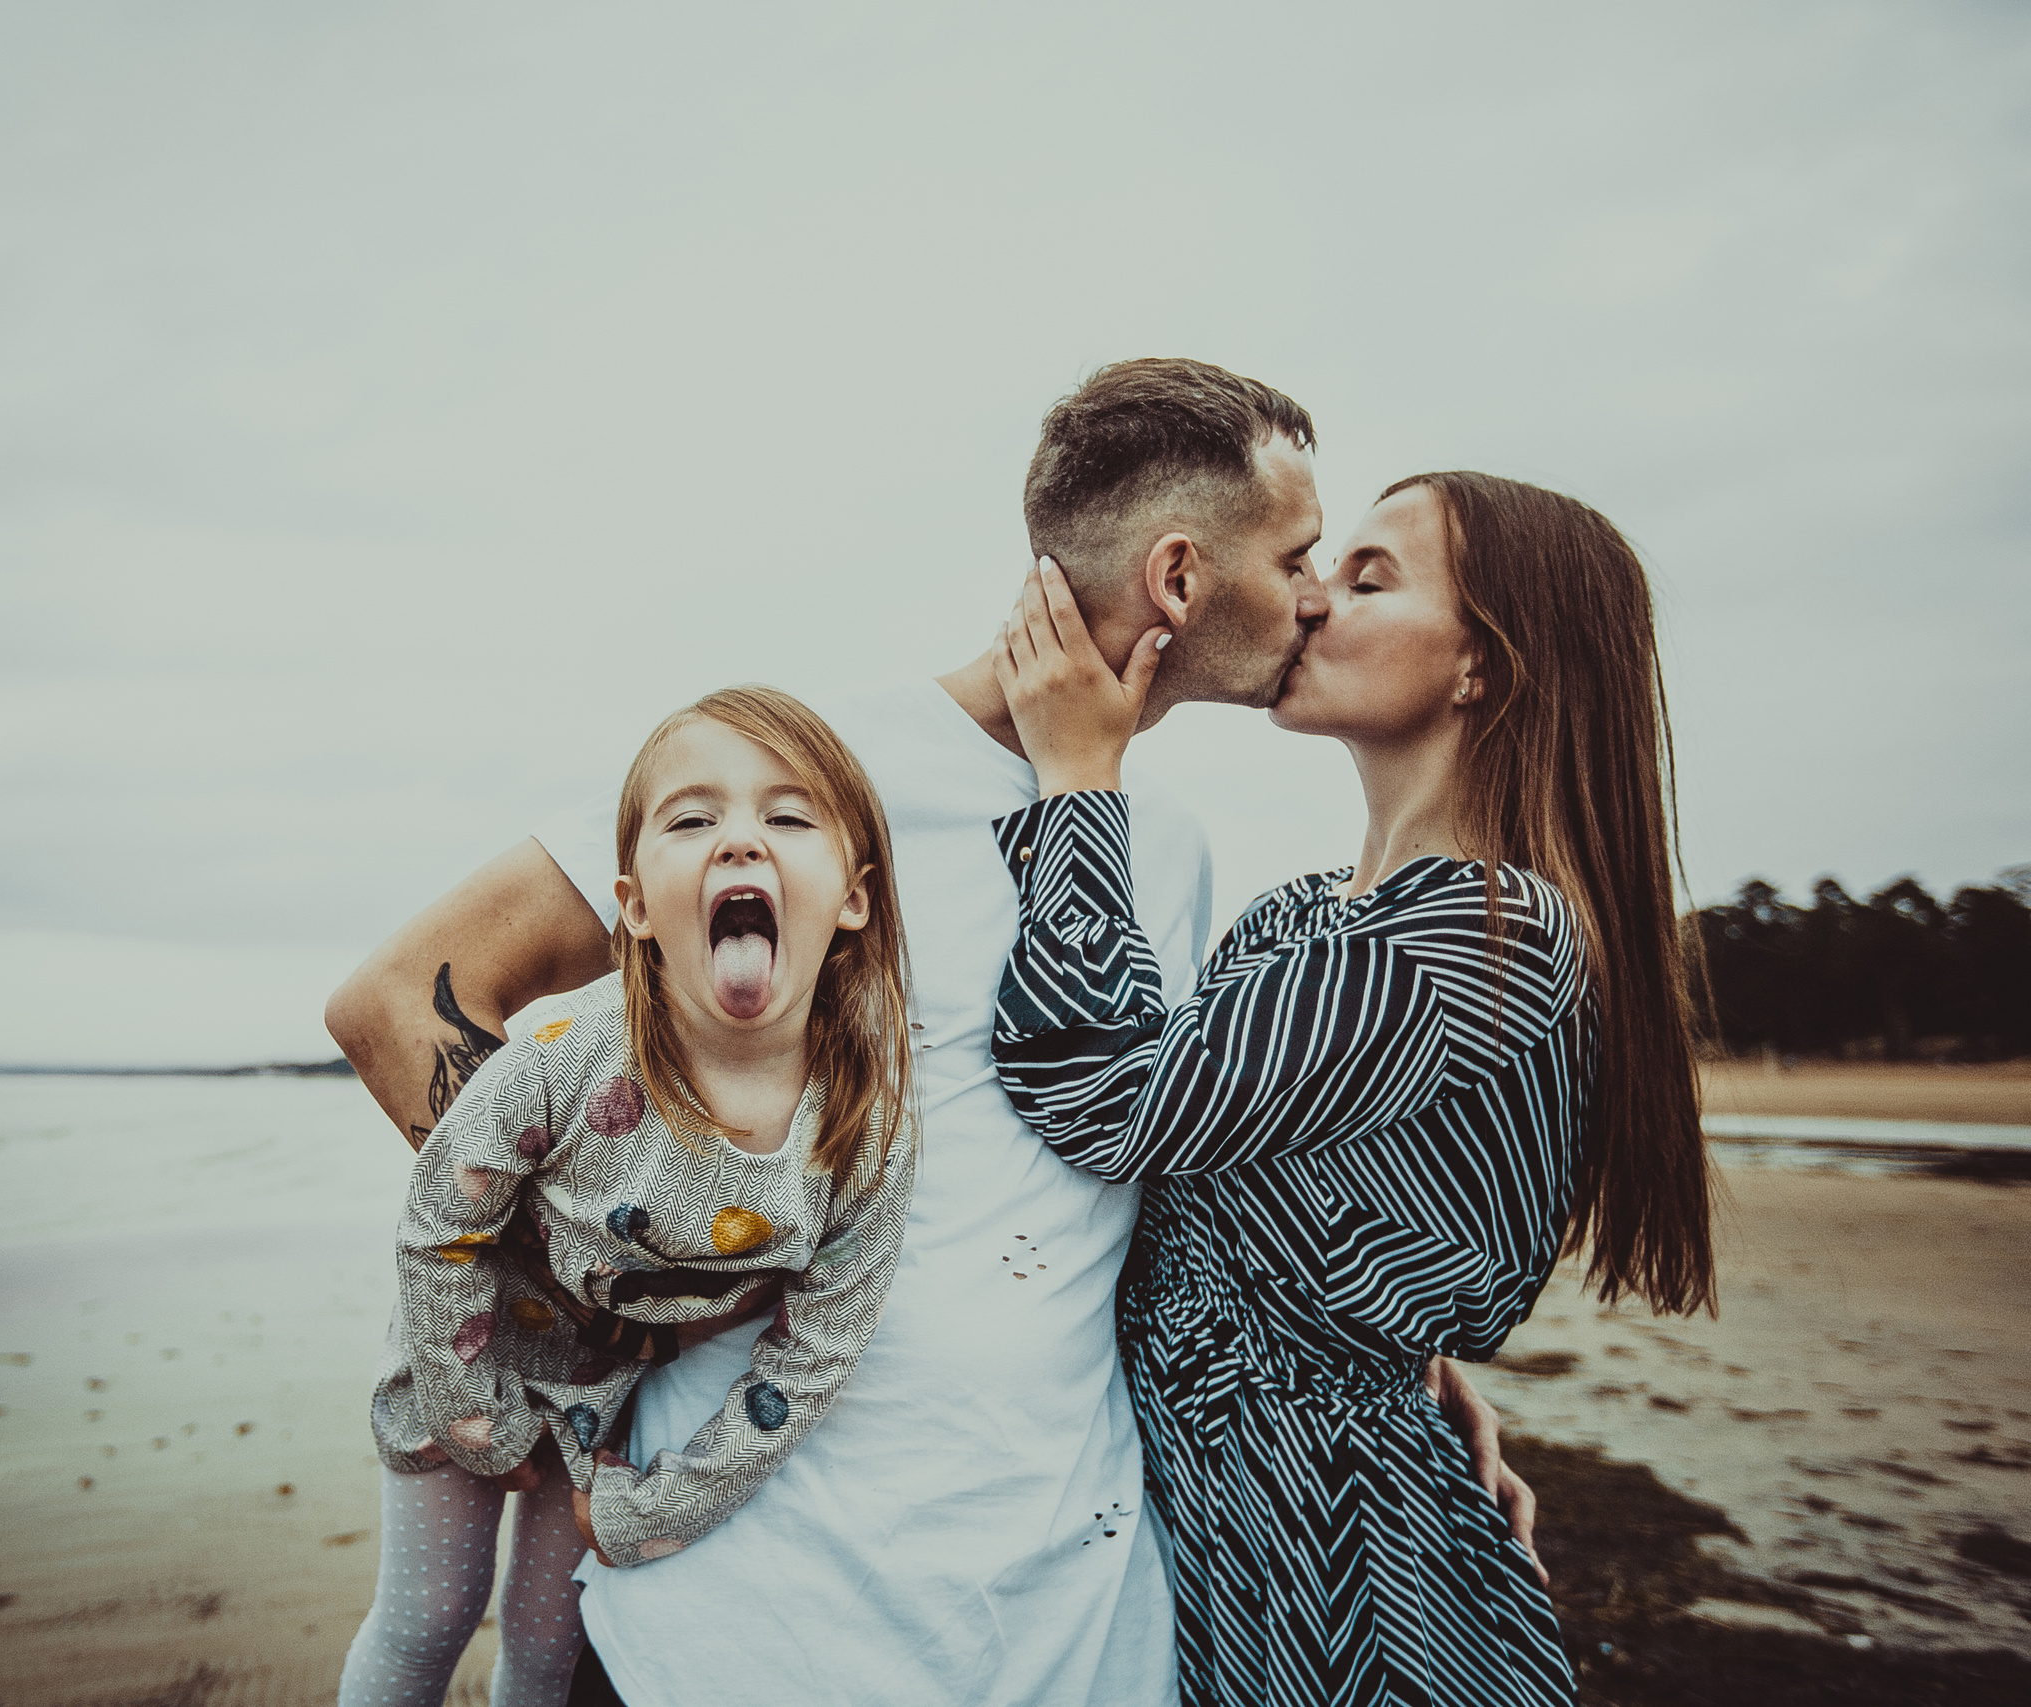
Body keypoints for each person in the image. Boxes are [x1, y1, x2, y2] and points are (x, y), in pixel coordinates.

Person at [326, 359, 1530, 1706]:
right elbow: (397, 997)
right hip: (741, 1616)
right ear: (1181, 577)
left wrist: (1402, 1367)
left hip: (1071, 1628)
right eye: (1303, 555)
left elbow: (1177, 1175)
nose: (1317, 593)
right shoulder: (795, 771)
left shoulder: (1174, 854)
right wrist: (637, 1261)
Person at [983, 473, 1715, 1706]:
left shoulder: (1495, 937)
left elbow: (1102, 1100)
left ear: (1482, 666)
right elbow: (1236, 1208)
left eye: (1369, 577)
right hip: (1217, 1541)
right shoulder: (1303, 913)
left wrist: (1076, 777)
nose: (1311, 600)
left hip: (1353, 1574)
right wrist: (1409, 1356)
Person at [339, 686, 919, 1707]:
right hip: (463, 1349)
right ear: (636, 907)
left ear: (854, 896)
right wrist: (471, 1415)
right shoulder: (567, 1060)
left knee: (546, 1640)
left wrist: (666, 1506)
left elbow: (820, 1347)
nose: (740, 841)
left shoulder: (864, 1120)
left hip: (604, 1398)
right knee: (428, 1618)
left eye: (787, 818)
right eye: (693, 820)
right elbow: (441, 1228)